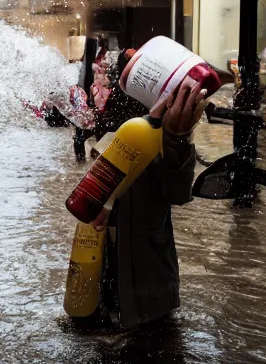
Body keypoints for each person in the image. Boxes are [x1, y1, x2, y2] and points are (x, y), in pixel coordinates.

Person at [76, 49, 205, 331]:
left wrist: (179, 138)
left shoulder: (168, 135)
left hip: (150, 284)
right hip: (105, 267)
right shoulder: (118, 127)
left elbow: (178, 192)